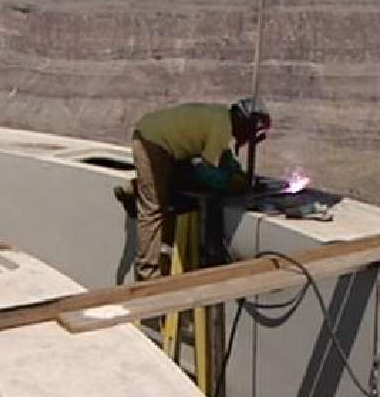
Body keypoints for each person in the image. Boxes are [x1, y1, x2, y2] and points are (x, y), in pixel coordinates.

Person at [115, 98, 270, 281]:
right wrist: (231, 184)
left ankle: (137, 187)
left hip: (158, 138)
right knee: (154, 209)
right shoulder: (222, 128)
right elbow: (207, 172)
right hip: (153, 143)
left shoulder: (221, 118)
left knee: (182, 179)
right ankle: (147, 273)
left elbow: (223, 157)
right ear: (244, 124)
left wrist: (238, 174)